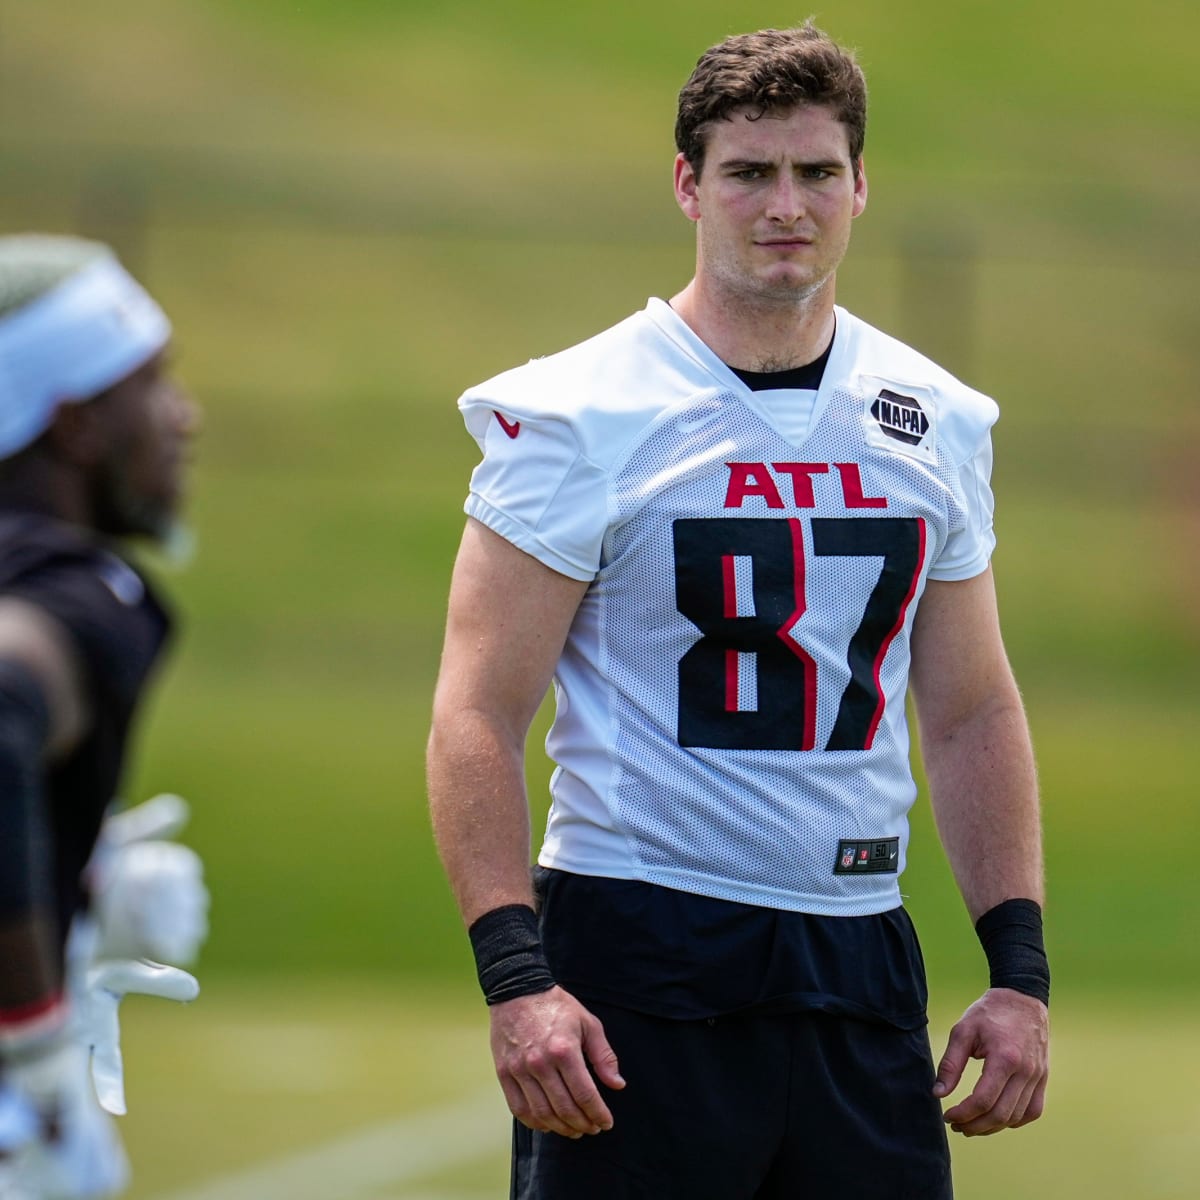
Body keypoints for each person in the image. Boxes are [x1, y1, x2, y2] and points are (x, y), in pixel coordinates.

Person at [428, 21, 1049, 1199]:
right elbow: (476, 712)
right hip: (640, 945)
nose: (786, 205)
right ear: (688, 187)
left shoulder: (933, 417)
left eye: (817, 172)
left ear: (862, 186)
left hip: (859, 947)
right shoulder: (579, 412)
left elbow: (970, 708)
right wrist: (516, 979)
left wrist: (1017, 972)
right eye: (749, 173)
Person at [0, 234, 207, 1198]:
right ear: (76, 422)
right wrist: (32, 1035)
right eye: (152, 383)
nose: (183, 417)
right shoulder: (78, 594)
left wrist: (67, 876)